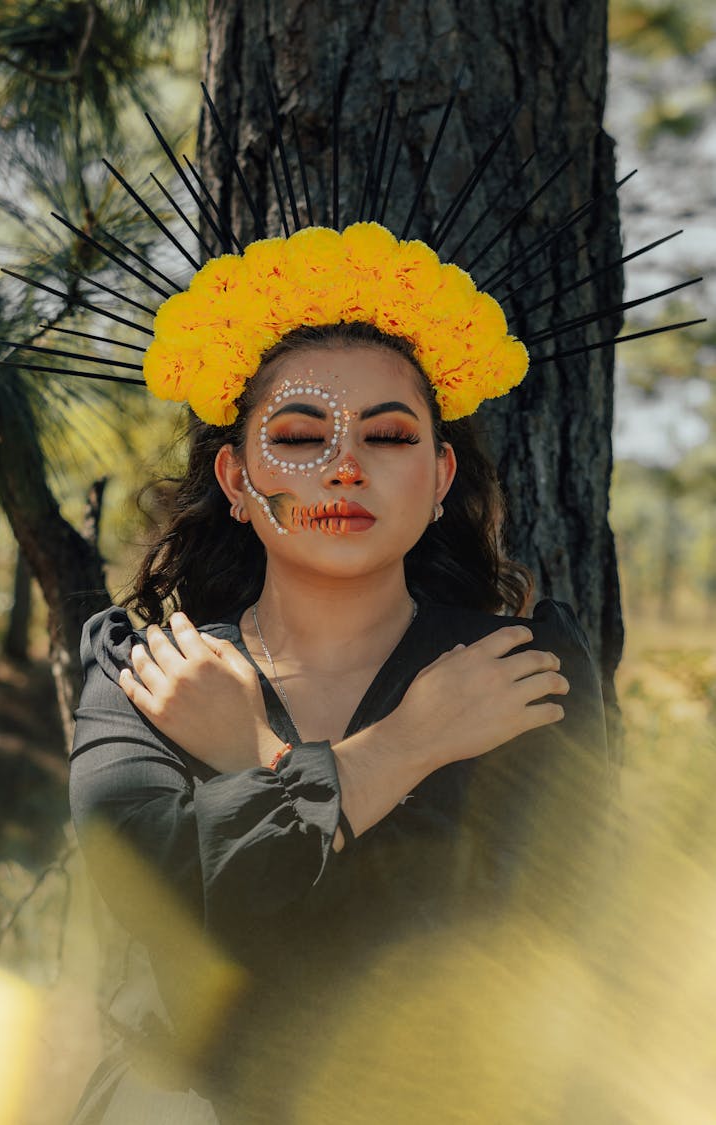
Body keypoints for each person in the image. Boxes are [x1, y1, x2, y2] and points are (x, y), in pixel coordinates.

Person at [68, 244, 609, 1120]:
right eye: (299, 436)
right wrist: (410, 743)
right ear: (239, 480)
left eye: (389, 435)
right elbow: (168, 934)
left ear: (438, 478)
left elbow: (511, 948)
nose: (343, 466)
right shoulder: (147, 674)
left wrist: (253, 757)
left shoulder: (528, 671)